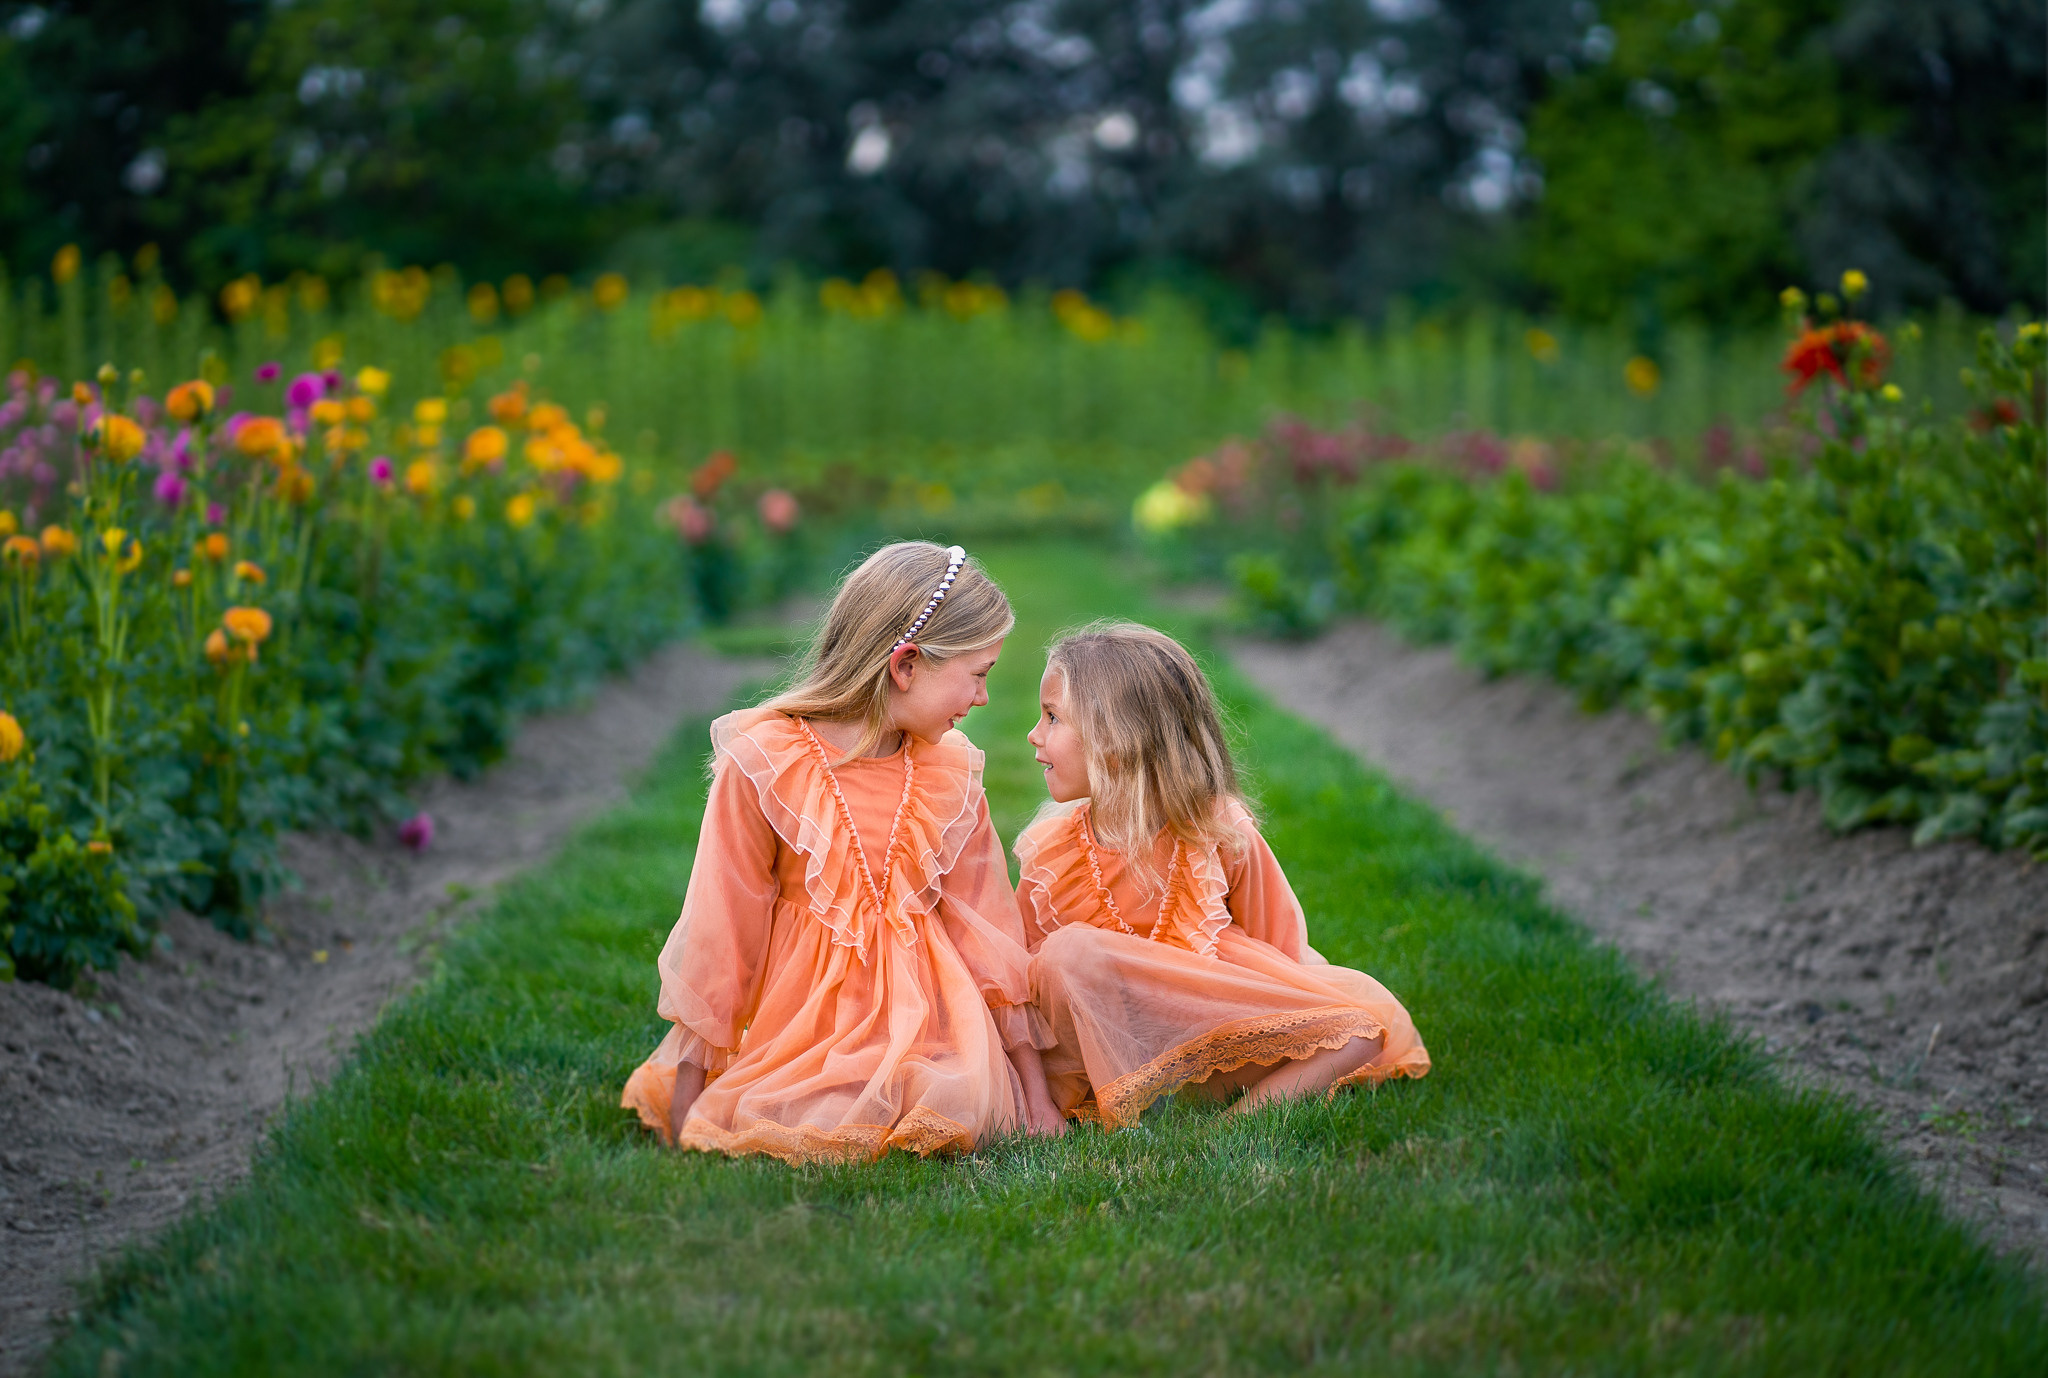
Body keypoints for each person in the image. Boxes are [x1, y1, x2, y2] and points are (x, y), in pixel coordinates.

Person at [621, 542, 1064, 1162]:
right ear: (906, 665)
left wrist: (1035, 1095)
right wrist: (689, 1097)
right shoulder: (767, 763)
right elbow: (724, 928)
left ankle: (909, 1076)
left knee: (954, 1098)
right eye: (979, 674)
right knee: (804, 1108)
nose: (984, 697)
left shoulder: (949, 774)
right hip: (803, 1023)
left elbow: (986, 929)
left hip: (927, 1018)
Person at [1016, 620, 1430, 1126]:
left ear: (1117, 740)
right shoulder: (1052, 855)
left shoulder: (1215, 830)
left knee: (1357, 1032)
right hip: (1103, 1044)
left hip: (1210, 1032)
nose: (1035, 734)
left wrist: (1303, 1016)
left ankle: (1229, 1123)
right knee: (1068, 953)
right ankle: (1135, 1093)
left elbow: (1278, 942)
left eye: (1053, 717)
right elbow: (1026, 980)